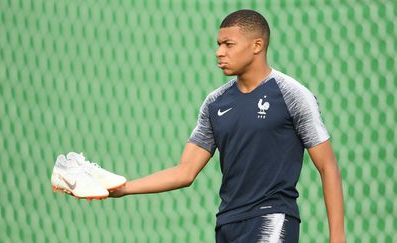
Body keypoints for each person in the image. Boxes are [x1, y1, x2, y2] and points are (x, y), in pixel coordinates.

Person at [110, 9, 345, 243]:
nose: (219, 52)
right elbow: (184, 171)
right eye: (218, 44)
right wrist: (123, 188)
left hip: (272, 218)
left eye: (228, 44)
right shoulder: (215, 103)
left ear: (257, 45)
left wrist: (337, 237)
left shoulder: (292, 94)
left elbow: (328, 167)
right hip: (227, 224)